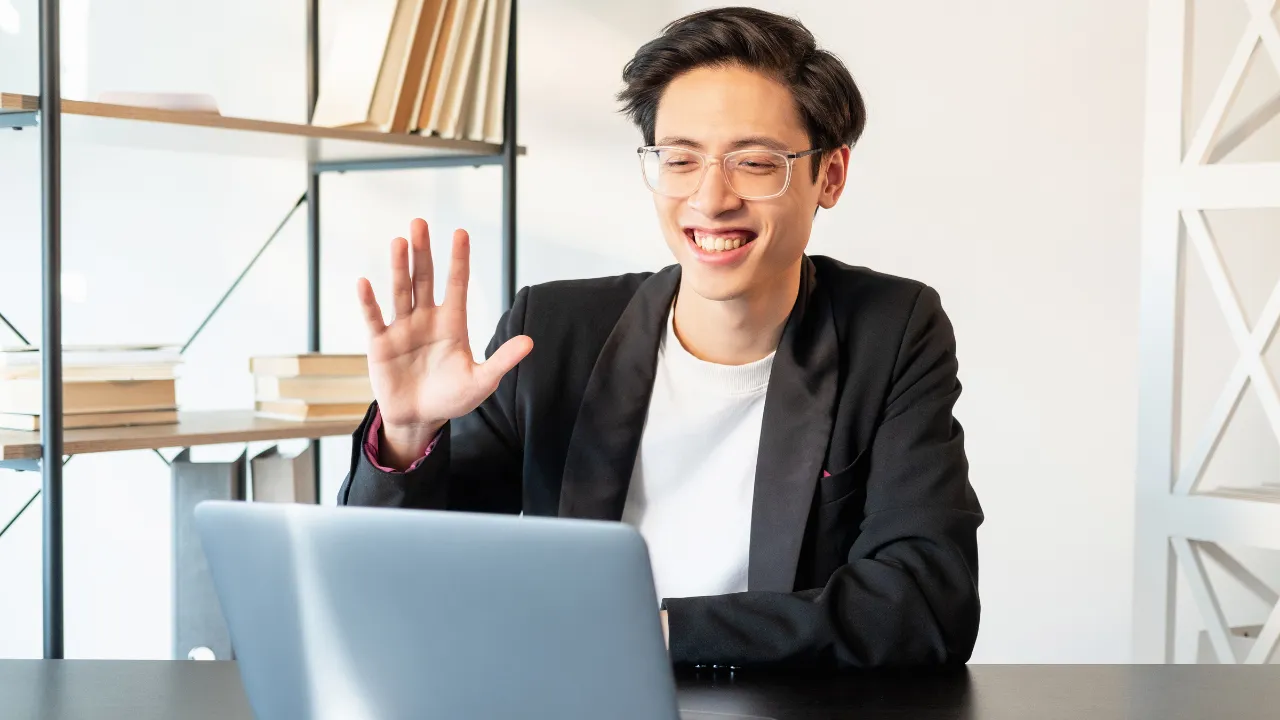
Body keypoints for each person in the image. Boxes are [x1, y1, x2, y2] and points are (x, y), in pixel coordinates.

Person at [338, 6, 982, 670]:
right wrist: (407, 435)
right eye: (679, 160)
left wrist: (650, 632)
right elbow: (401, 583)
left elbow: (928, 602)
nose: (710, 198)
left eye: (754, 163)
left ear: (831, 176)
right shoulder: (552, 334)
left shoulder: (892, 330)